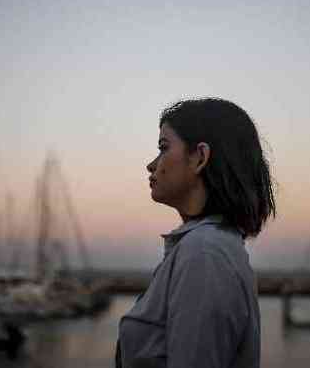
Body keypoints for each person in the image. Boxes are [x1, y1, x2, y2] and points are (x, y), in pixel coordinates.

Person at [116, 98, 276, 368]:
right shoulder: (207, 246)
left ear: (200, 157)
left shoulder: (204, 253)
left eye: (163, 148)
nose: (151, 165)